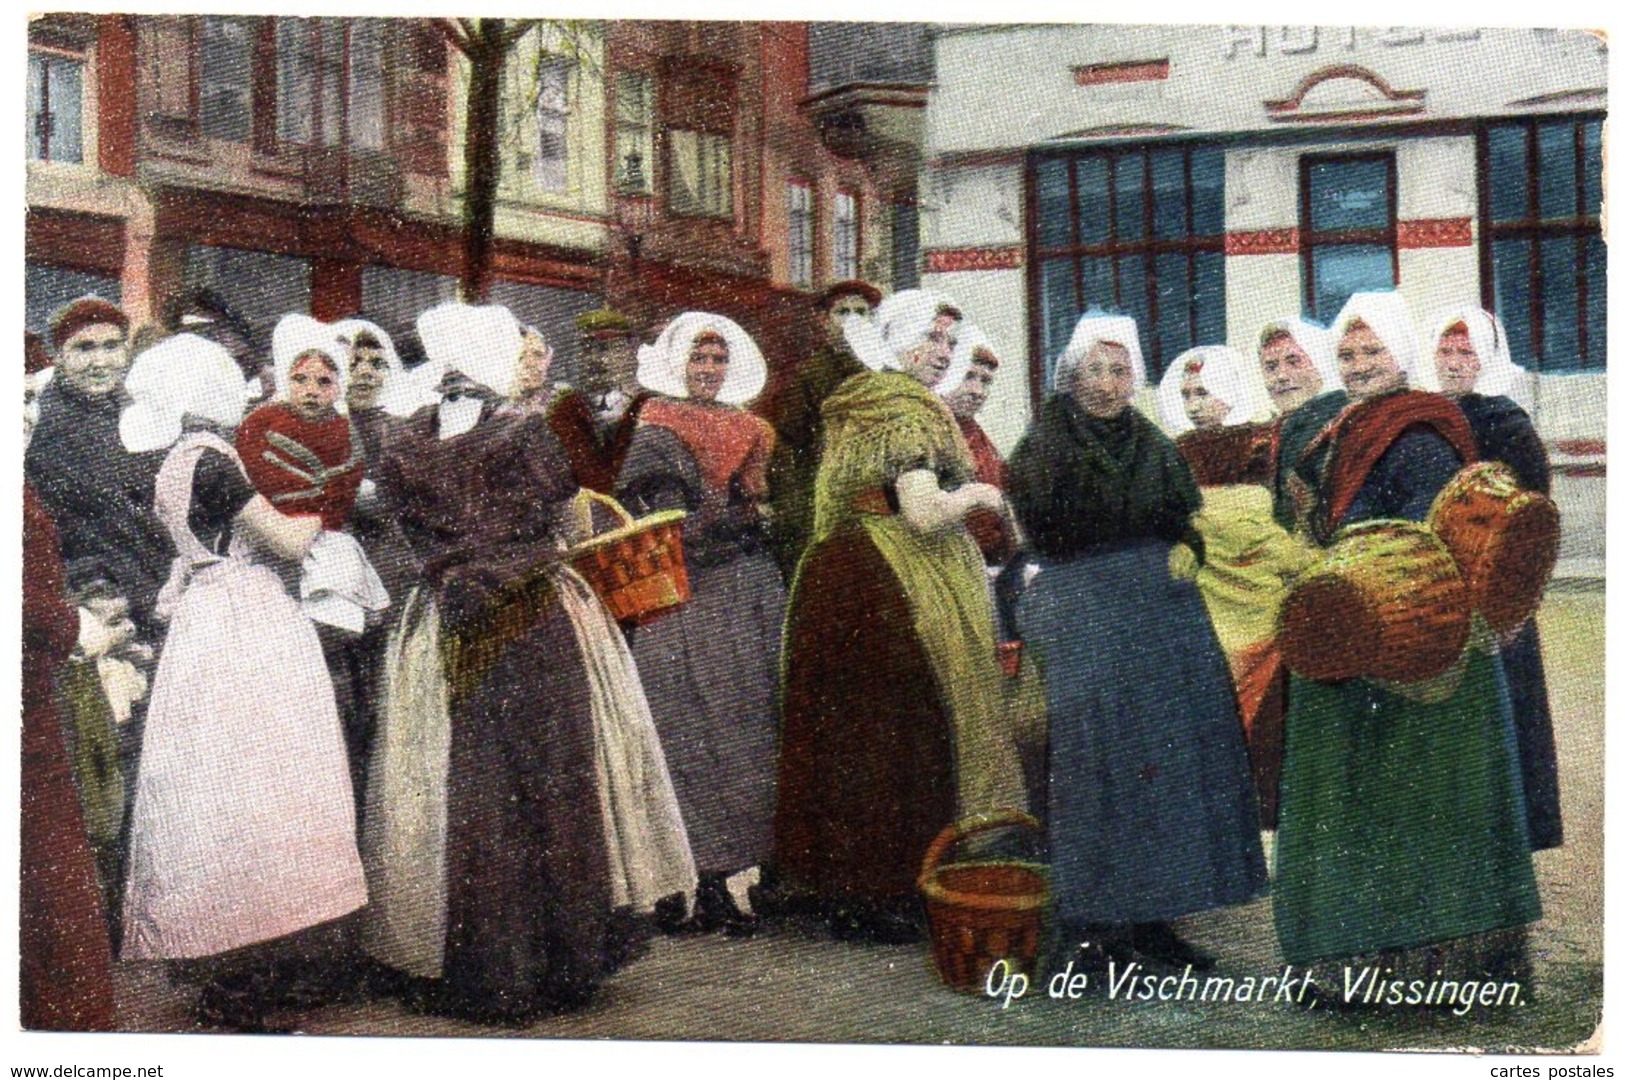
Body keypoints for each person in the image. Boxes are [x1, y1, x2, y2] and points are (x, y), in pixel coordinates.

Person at [362, 301, 694, 1025]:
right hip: (534, 614)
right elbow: (571, 517)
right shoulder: (521, 433)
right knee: (546, 775)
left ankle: (484, 961)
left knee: (465, 777)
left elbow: (401, 527)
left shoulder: (406, 438)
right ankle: (554, 955)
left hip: (447, 616)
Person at [1272, 291, 1541, 994]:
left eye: (1372, 353)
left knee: (1408, 810)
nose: (1358, 366)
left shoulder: (1418, 432)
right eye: (1347, 355)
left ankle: (1416, 967)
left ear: (1401, 357)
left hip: (1412, 652)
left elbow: (1430, 544)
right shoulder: (1340, 429)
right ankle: (1357, 961)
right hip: (1350, 638)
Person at [117, 332, 367, 1030]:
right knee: (260, 789)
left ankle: (230, 962)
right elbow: (285, 541)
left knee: (219, 789)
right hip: (246, 618)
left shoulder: (168, 462)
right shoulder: (216, 460)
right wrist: (335, 504)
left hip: (204, 617)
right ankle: (247, 969)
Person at [1006, 314, 1267, 974]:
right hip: (1084, 611)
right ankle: (1091, 924)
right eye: (1092, 370)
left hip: (1159, 616)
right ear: (1070, 375)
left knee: (1163, 762)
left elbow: (1184, 518)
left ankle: (1155, 917)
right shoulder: (1044, 440)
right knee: (1094, 765)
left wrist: (1187, 547)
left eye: (1118, 370)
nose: (1106, 383)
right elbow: (1044, 526)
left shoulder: (1152, 441)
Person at [775, 289, 1025, 942]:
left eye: (948, 343)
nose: (942, 354)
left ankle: (850, 887)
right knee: (903, 728)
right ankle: (888, 887)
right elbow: (922, 511)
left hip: (841, 572)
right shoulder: (902, 403)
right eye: (932, 340)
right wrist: (987, 497)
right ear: (897, 339)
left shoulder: (862, 394)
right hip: (889, 579)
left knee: (853, 734)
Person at [617, 312, 786, 935]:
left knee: (745, 733)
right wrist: (741, 520)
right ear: (675, 364)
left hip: (744, 595)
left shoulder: (752, 429)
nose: (709, 373)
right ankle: (687, 885)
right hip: (681, 596)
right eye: (698, 361)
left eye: (718, 362)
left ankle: (736, 881)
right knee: (683, 731)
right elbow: (665, 520)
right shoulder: (655, 428)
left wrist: (759, 518)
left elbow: (768, 504)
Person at [26, 297, 171, 939]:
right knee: (95, 774)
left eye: (112, 346)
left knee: (146, 770)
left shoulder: (141, 418)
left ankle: (136, 917)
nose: (101, 361)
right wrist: (95, 602)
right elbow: (47, 532)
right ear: (59, 356)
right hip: (91, 617)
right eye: (84, 348)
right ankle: (97, 926)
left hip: (153, 605)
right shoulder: (42, 424)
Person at [1420, 307, 1561, 851]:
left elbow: (1532, 524)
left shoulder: (1508, 424)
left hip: (1498, 600)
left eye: (1466, 352)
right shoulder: (1426, 417)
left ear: (1487, 359)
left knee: (1504, 723)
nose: (1454, 364)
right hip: (1443, 598)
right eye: (1445, 351)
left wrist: (1512, 607)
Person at [1156, 345, 1313, 830]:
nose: (1194, 403)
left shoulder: (1264, 441)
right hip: (1210, 601)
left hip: (1258, 600)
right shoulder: (1182, 448)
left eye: (1204, 391)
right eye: (1186, 393)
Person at [236, 315, 386, 815]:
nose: (311, 391)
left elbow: (340, 493)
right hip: (273, 554)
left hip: (328, 551)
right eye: (300, 379)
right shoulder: (261, 424)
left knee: (331, 675)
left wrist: (328, 498)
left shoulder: (345, 430)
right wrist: (318, 497)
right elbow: (265, 485)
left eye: (324, 381)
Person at [22, 483, 117, 1031]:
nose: (25, 411)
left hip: (33, 690)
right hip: (24, 703)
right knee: (51, 874)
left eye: (31, 395)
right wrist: (75, 625)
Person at [763, 279, 883, 578]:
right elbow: (788, 452)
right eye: (843, 312)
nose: (853, 320)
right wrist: (801, 521)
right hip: (824, 506)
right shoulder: (808, 378)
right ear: (823, 322)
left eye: (861, 312)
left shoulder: (882, 374)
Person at [1254, 317, 1345, 531]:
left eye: (1294, 362)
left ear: (1321, 362)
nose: (1281, 377)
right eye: (1271, 367)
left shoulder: (1330, 423)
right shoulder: (1288, 427)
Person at [549, 308, 653, 492]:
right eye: (587, 349)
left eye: (606, 348)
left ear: (632, 352)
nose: (595, 359)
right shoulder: (566, 407)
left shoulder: (650, 405)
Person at [942, 325, 1015, 565]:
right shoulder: (931, 431)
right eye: (968, 376)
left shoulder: (978, 437)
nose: (978, 391)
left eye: (986, 381)